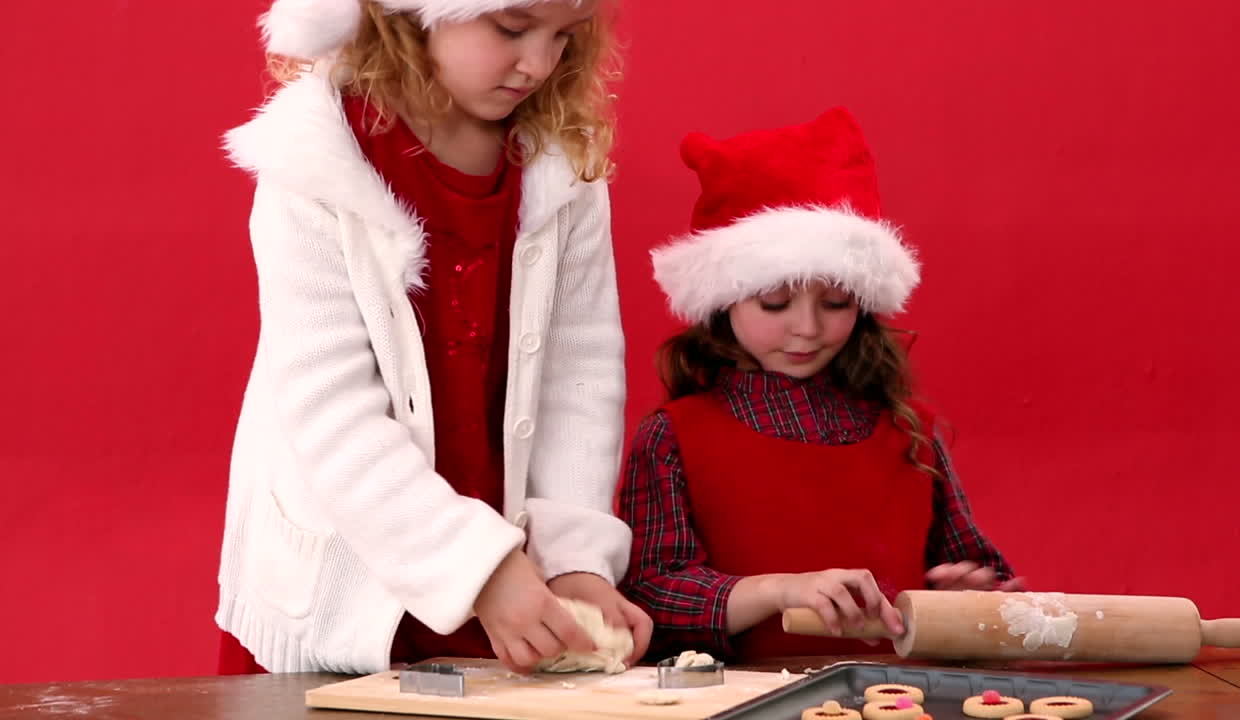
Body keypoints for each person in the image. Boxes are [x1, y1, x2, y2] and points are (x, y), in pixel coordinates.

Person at [215, 0, 650, 675]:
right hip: (339, 596)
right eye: (510, 28)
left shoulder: (563, 167)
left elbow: (580, 378)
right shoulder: (315, 159)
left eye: (564, 37)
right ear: (412, 14)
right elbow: (331, 412)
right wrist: (477, 570)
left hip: (511, 599)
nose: (538, 64)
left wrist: (573, 563)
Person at [619, 107, 1021, 661]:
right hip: (737, 703)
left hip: (894, 700)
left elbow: (982, 581)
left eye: (836, 303)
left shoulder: (910, 433)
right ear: (722, 299)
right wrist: (778, 590)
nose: (807, 328)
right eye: (775, 302)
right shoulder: (673, 437)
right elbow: (649, 597)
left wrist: (966, 599)